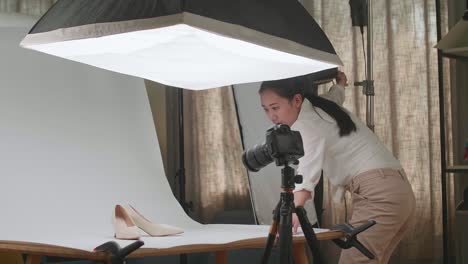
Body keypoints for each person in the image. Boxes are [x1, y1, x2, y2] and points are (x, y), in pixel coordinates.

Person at [259, 73, 415, 264]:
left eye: (275, 107)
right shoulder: (322, 105)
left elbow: (306, 179)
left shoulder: (307, 124)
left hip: (380, 196)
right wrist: (340, 83)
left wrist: (290, 215)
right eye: (266, 109)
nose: (271, 116)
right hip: (395, 190)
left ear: (297, 100)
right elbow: (336, 95)